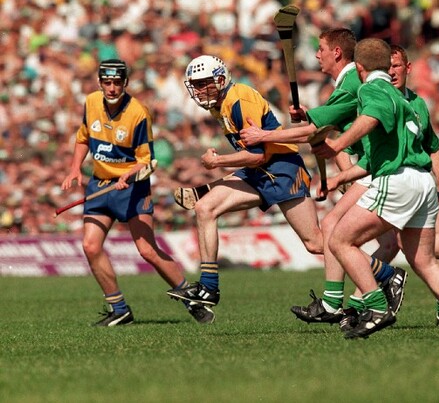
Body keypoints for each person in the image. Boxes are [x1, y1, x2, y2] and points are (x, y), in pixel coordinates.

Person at [239, 28, 408, 324]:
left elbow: (313, 133)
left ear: (337, 53)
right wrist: (311, 118)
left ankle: (365, 290)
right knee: (352, 234)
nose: (317, 55)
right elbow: (324, 126)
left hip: (382, 167)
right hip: (374, 166)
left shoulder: (352, 81)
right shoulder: (347, 83)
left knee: (337, 232)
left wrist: (263, 135)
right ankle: (358, 294)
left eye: (321, 49)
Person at [313, 37, 439, 339]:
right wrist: (339, 177)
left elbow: (370, 119)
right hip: (423, 181)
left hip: (398, 179)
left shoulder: (372, 88)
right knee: (424, 261)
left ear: (359, 67)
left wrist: (336, 144)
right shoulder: (410, 100)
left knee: (340, 240)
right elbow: (425, 146)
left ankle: (376, 306)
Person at [166, 55, 323, 318]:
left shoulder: (240, 100)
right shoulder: (219, 105)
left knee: (315, 243)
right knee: (204, 208)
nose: (199, 90)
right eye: (195, 85)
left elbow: (258, 155)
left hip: (283, 169)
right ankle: (208, 288)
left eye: (204, 84)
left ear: (220, 79)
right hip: (258, 173)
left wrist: (217, 161)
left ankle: (383, 274)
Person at [61, 59, 211, 326]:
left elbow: (147, 160)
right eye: (107, 82)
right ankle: (119, 309)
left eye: (117, 83)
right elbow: (83, 137)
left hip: (132, 188)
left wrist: (128, 175)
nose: (111, 88)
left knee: (147, 250)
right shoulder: (91, 102)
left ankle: (191, 298)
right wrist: (74, 168)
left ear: (125, 83)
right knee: (90, 246)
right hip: (99, 186)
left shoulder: (138, 113)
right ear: (100, 83)